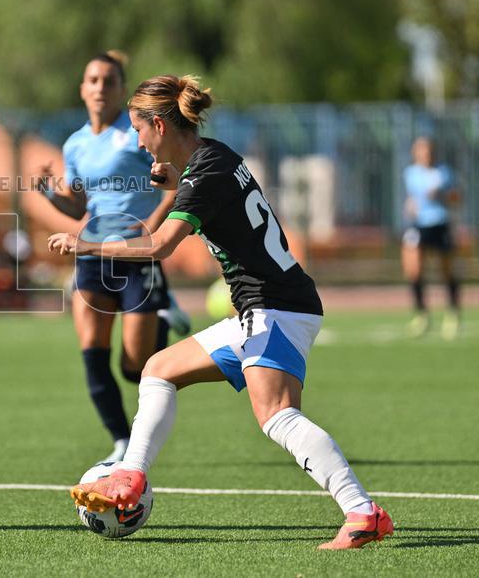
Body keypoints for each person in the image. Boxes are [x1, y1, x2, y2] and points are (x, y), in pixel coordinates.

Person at [48, 75, 392, 550]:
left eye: (138, 129)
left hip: (275, 308)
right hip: (268, 307)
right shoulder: (213, 156)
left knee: (277, 415)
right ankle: (131, 474)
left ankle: (361, 512)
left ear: (159, 124)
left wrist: (84, 243)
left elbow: (159, 246)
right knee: (159, 369)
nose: (136, 140)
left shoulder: (203, 174)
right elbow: (205, 190)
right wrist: (175, 178)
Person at [38, 51, 190, 464]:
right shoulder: (75, 144)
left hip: (138, 256)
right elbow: (78, 206)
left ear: (123, 89)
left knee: (134, 368)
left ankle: (161, 313)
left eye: (109, 81)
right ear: (82, 89)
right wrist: (50, 193)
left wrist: (152, 229)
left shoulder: (139, 132)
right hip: (92, 254)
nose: (101, 87)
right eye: (93, 80)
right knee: (91, 349)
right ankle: (122, 442)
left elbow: (174, 185)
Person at [402, 136, 461, 339]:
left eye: (426, 151)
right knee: (413, 268)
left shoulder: (443, 172)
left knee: (446, 270)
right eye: (419, 151)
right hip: (419, 225)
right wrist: (409, 206)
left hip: (440, 223)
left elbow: (456, 198)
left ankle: (452, 312)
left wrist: (442, 196)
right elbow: (412, 197)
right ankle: (421, 314)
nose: (423, 155)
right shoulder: (410, 173)